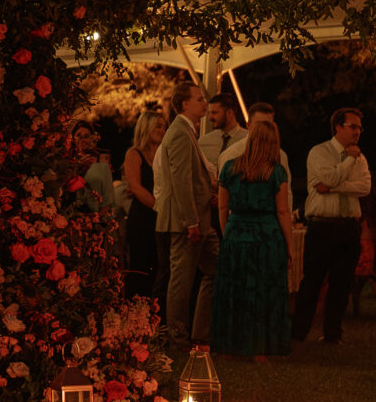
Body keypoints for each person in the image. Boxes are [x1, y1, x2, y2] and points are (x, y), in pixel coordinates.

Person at [212, 116, 296, 359]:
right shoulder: (276, 172)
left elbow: (221, 207)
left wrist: (228, 232)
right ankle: (261, 347)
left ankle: (231, 345)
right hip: (266, 236)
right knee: (263, 291)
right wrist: (289, 245)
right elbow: (282, 210)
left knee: (234, 291)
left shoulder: (229, 168)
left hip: (236, 233)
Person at [295, 108, 369, 344]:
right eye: (353, 126)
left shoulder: (361, 156)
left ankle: (332, 333)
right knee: (313, 281)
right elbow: (329, 178)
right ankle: (298, 332)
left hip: (348, 226)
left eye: (359, 127)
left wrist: (336, 186)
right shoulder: (320, 152)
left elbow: (365, 187)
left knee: (342, 283)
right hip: (322, 226)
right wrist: (348, 161)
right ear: (338, 127)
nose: (357, 131)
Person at [157, 77, 215, 343]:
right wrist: (190, 221)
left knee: (216, 269)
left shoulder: (186, 130)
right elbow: (182, 180)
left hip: (198, 218)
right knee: (181, 278)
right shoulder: (180, 133)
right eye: (200, 99)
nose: (205, 103)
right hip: (187, 221)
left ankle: (201, 331)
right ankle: (177, 334)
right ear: (183, 103)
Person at [121, 107, 164, 299]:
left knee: (158, 266)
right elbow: (136, 187)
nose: (162, 131)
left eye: (164, 127)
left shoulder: (164, 156)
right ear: (146, 128)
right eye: (157, 127)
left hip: (160, 219)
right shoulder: (134, 154)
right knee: (139, 267)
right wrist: (160, 207)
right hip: (143, 218)